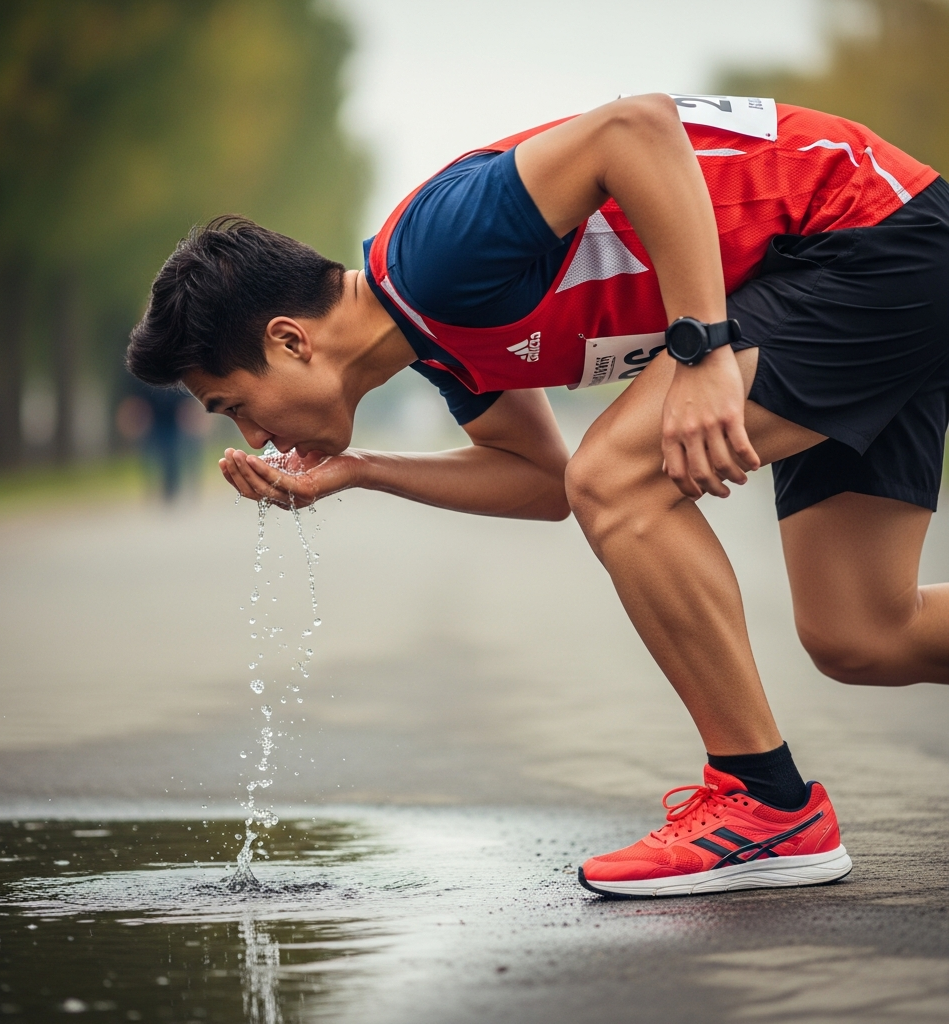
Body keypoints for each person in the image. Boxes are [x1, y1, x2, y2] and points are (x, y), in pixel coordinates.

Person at [126, 93, 949, 898]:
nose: (252, 439)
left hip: (863, 236)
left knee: (618, 476)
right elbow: (544, 483)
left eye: (234, 406)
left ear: (289, 340)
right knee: (863, 634)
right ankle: (771, 807)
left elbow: (636, 126)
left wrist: (701, 351)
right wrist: (362, 468)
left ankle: (764, 801)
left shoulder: (433, 254)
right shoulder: (437, 339)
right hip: (866, 265)